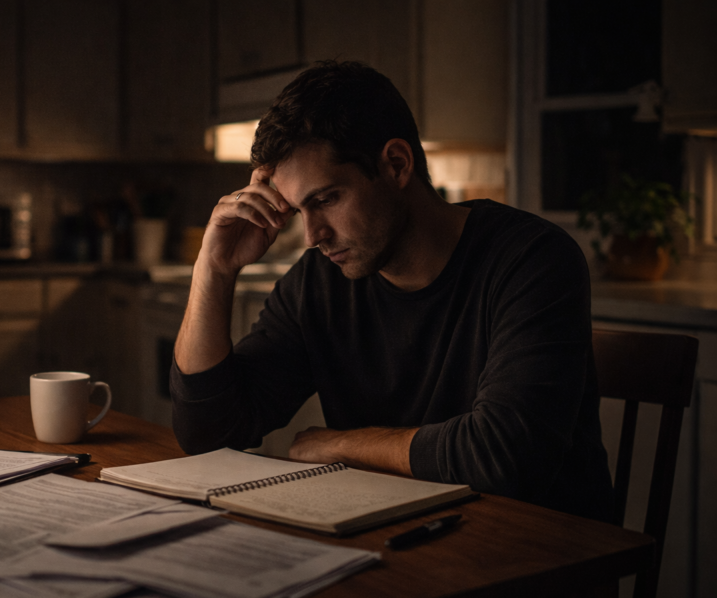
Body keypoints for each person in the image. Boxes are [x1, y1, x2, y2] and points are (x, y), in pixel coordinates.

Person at [170, 60, 614, 523]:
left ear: (396, 164)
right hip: (395, 542)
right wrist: (214, 268)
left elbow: (506, 457)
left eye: (325, 200)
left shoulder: (532, 260)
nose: (311, 235)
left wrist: (339, 444)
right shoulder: (319, 282)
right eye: (300, 209)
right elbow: (208, 432)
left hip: (539, 563)